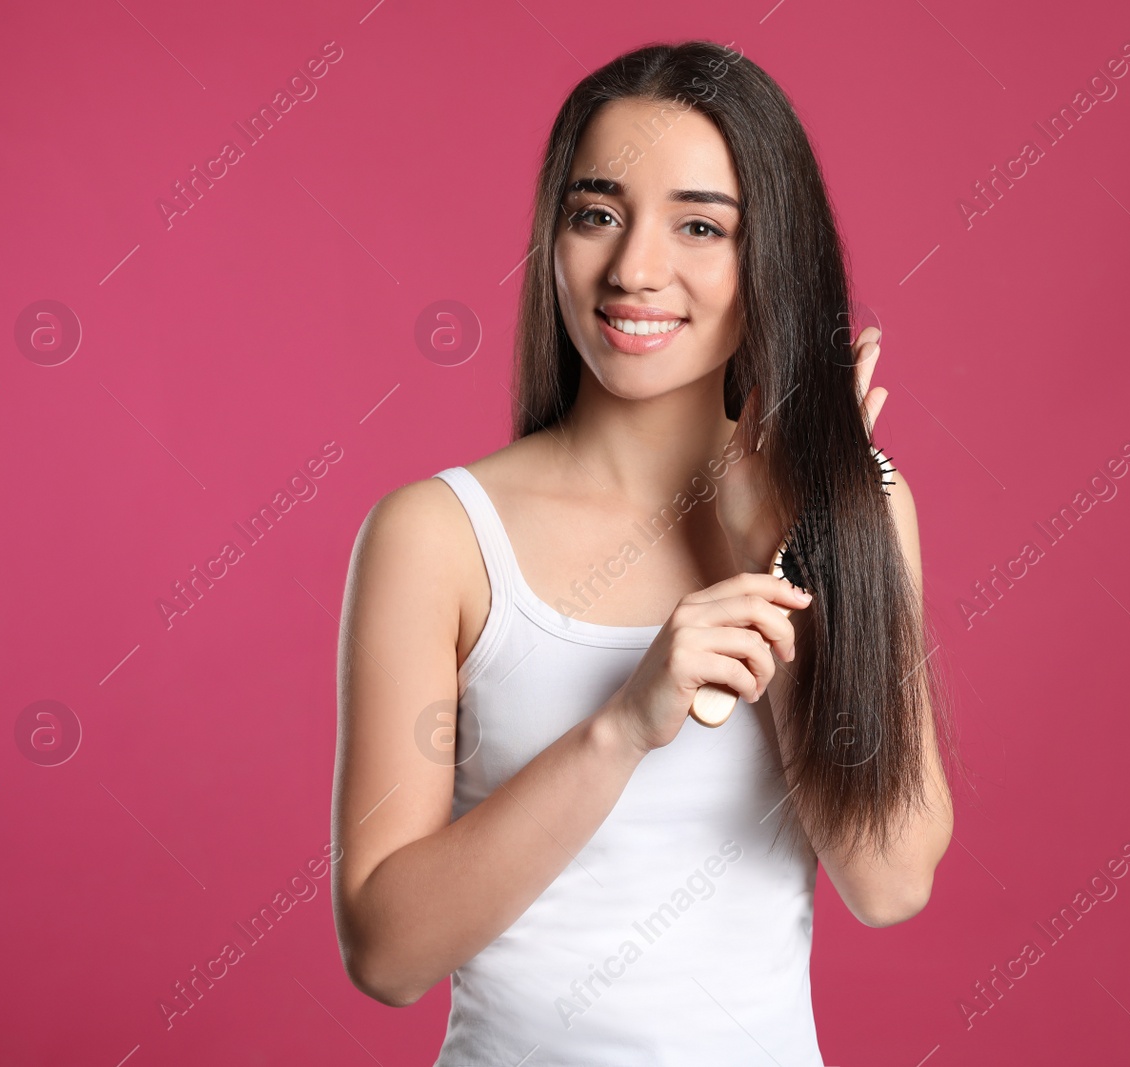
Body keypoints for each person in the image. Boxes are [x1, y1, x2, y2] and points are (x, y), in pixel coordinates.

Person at [331, 39, 959, 1065]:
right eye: (597, 214)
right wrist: (621, 726)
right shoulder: (436, 534)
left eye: (700, 225)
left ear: (774, 261)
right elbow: (387, 950)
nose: (633, 269)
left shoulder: (857, 513)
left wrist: (780, 558)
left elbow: (887, 881)